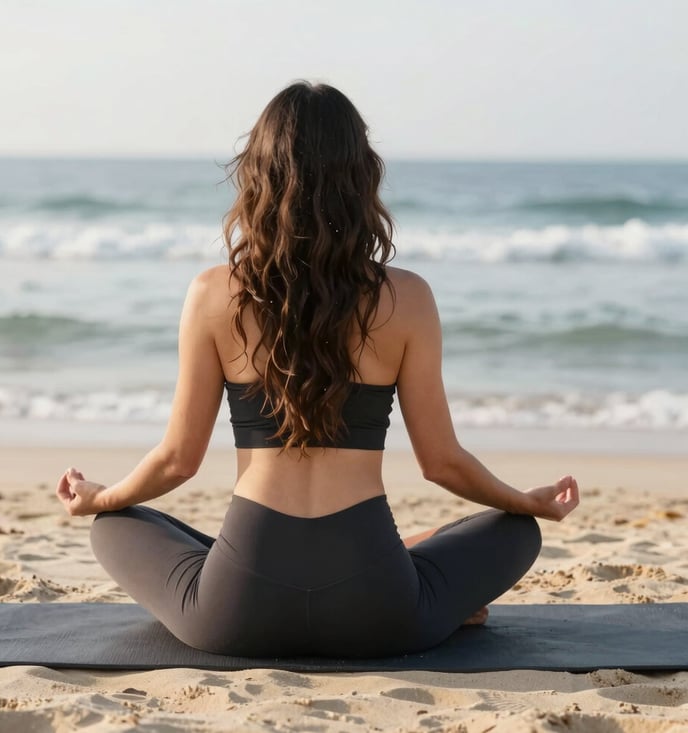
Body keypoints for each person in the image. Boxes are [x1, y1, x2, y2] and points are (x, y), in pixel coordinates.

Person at [56, 82, 580, 658]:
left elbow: (177, 461)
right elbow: (442, 463)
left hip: (236, 614)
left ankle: (348, 565)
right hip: (379, 611)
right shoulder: (407, 298)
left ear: (256, 173)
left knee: (117, 525)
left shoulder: (212, 294)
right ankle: (413, 568)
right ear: (361, 176)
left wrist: (99, 500)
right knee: (514, 531)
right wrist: (524, 503)